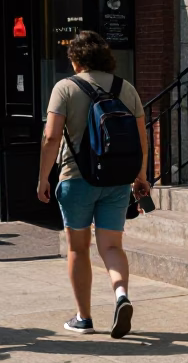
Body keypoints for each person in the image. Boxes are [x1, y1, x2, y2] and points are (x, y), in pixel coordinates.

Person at [37, 31, 149, 339]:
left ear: (75, 59)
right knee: (112, 246)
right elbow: (142, 138)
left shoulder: (65, 88)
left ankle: (83, 318)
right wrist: (140, 177)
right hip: (116, 180)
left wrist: (43, 178)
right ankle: (121, 294)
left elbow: (51, 137)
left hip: (77, 178)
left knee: (78, 248)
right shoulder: (125, 88)